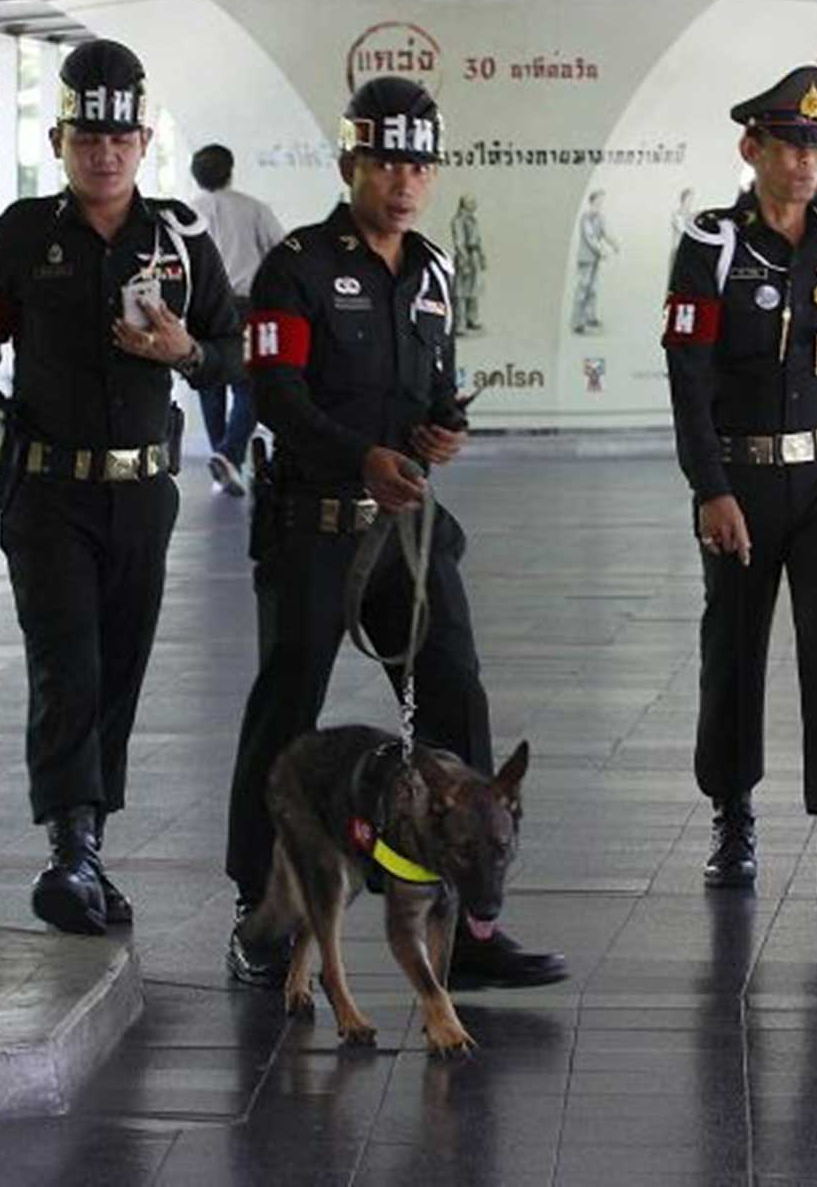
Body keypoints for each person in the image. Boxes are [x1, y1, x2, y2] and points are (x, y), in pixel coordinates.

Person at [223, 75, 566, 989]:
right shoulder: (295, 266)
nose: (405, 180)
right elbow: (275, 397)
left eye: (419, 163)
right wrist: (360, 455)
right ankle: (259, 918)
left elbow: (428, 392)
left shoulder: (433, 271)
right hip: (314, 525)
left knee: (458, 700)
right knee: (286, 721)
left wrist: (439, 428)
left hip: (406, 534)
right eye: (386, 162)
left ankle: (473, 930)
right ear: (350, 165)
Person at [0, 39, 243, 936]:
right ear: (59, 141)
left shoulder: (180, 241)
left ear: (143, 141)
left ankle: (90, 844)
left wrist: (185, 351)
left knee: (119, 670)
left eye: (118, 139)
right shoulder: (25, 236)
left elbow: (235, 350)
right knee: (65, 661)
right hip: (47, 496)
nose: (102, 154)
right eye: (84, 139)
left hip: (143, 494)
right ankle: (68, 846)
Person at [660, 65, 817, 909]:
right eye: (788, 143)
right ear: (751, 148)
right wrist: (709, 488)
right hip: (744, 480)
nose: (804, 159)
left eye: (814, 142)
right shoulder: (713, 246)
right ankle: (732, 818)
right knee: (734, 650)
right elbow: (687, 379)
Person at [189, 143, 285, 497]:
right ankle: (229, 455)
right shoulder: (254, 209)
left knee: (209, 383)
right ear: (230, 170)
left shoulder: (188, 212)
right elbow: (281, 252)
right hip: (247, 305)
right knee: (250, 387)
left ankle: (222, 460)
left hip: (203, 307)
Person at [571, 189, 619, 333]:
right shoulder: (585, 218)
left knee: (593, 290)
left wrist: (614, 243)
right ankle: (577, 322)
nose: (601, 203)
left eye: (602, 201)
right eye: (599, 200)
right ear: (592, 201)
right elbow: (590, 237)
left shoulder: (600, 217)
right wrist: (602, 250)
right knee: (583, 288)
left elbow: (605, 233)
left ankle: (590, 317)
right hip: (585, 258)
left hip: (595, 260)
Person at [450, 194, 487, 333]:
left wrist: (481, 257)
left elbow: (478, 240)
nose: (474, 206)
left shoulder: (473, 220)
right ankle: (460, 323)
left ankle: (473, 319)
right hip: (465, 257)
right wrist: (463, 260)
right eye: (471, 204)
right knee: (460, 292)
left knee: (474, 290)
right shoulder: (458, 221)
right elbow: (459, 243)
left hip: (474, 257)